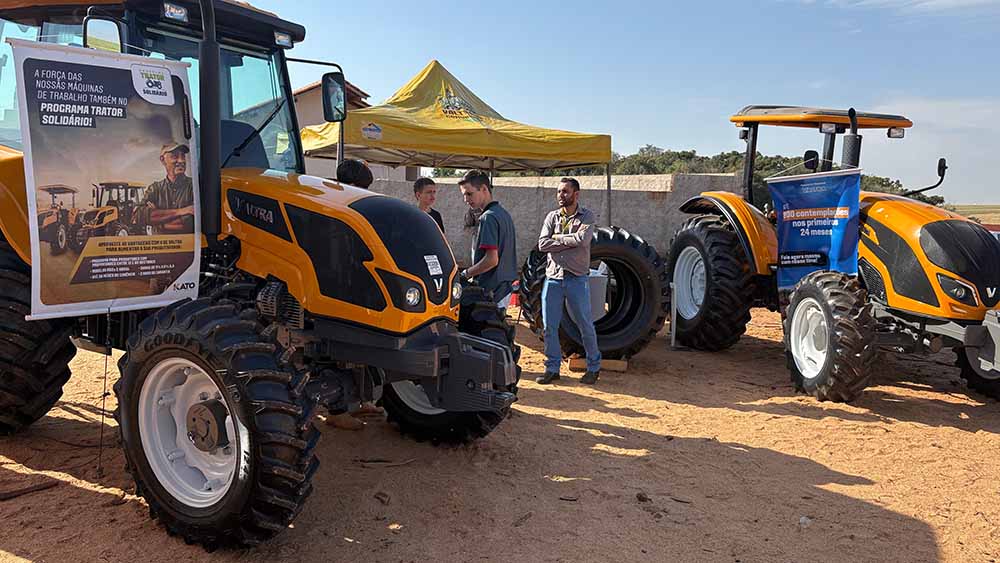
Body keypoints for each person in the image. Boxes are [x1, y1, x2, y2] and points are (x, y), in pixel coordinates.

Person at [535, 178, 601, 385]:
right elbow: (542, 244)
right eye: (559, 192)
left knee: (585, 324)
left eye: (565, 191)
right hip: (553, 278)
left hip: (576, 278)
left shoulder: (587, 216)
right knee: (549, 326)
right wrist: (569, 240)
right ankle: (552, 368)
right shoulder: (552, 216)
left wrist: (557, 238)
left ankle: (593, 367)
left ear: (576, 194)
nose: (560, 195)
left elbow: (583, 240)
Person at [458, 169, 517, 308]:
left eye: (469, 194)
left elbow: (491, 260)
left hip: (493, 291)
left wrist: (465, 274)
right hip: (503, 288)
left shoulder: (488, 217)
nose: (466, 199)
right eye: (464, 195)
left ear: (484, 189)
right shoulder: (503, 214)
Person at [144, 143, 195, 234]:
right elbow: (140, 216)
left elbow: (190, 222)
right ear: (163, 160)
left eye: (183, 156)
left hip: (185, 242)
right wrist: (182, 211)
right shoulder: (154, 188)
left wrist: (157, 220)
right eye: (174, 156)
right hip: (160, 243)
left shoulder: (194, 186)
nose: (181, 161)